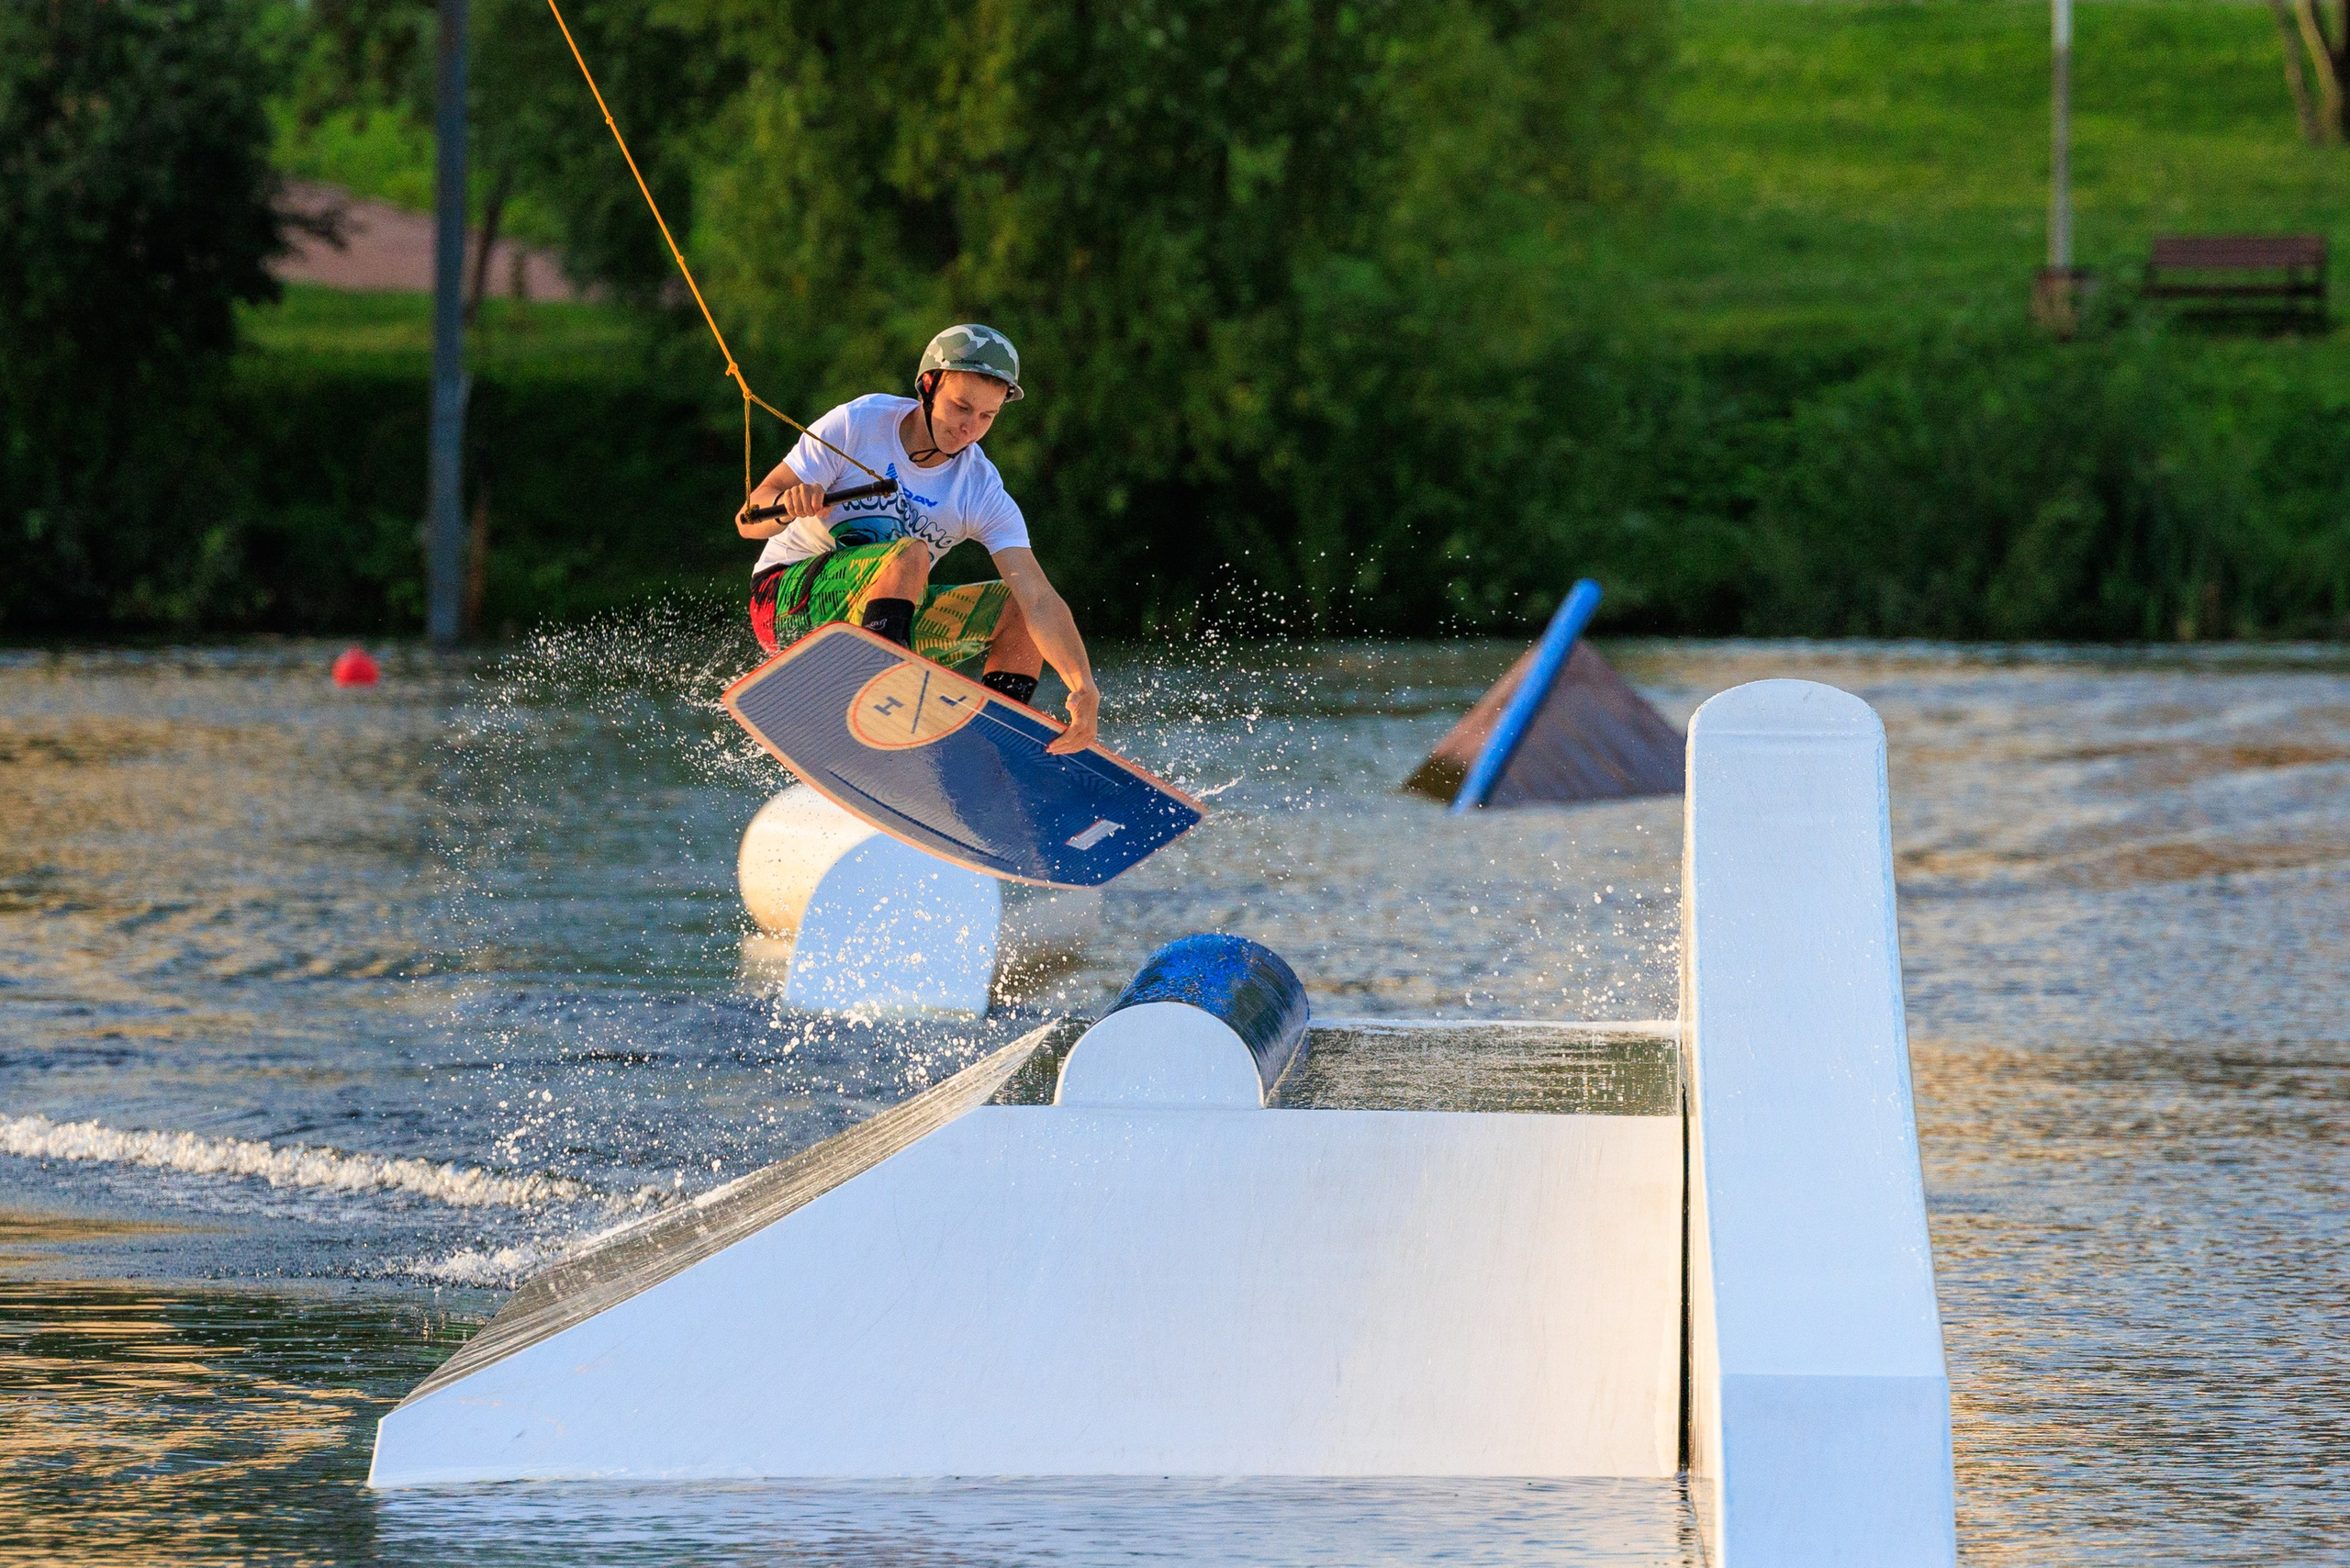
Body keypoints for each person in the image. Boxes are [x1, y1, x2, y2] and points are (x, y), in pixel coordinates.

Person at [735, 324, 1099, 755]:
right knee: (912, 554)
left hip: (880, 624)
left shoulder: (979, 487)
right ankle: (877, 699)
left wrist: (1083, 685)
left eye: (987, 417)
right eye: (961, 407)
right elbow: (747, 518)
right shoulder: (858, 424)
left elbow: (1039, 599)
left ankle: (991, 749)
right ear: (928, 386)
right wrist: (786, 505)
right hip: (783, 603)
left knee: (1018, 609)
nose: (970, 429)